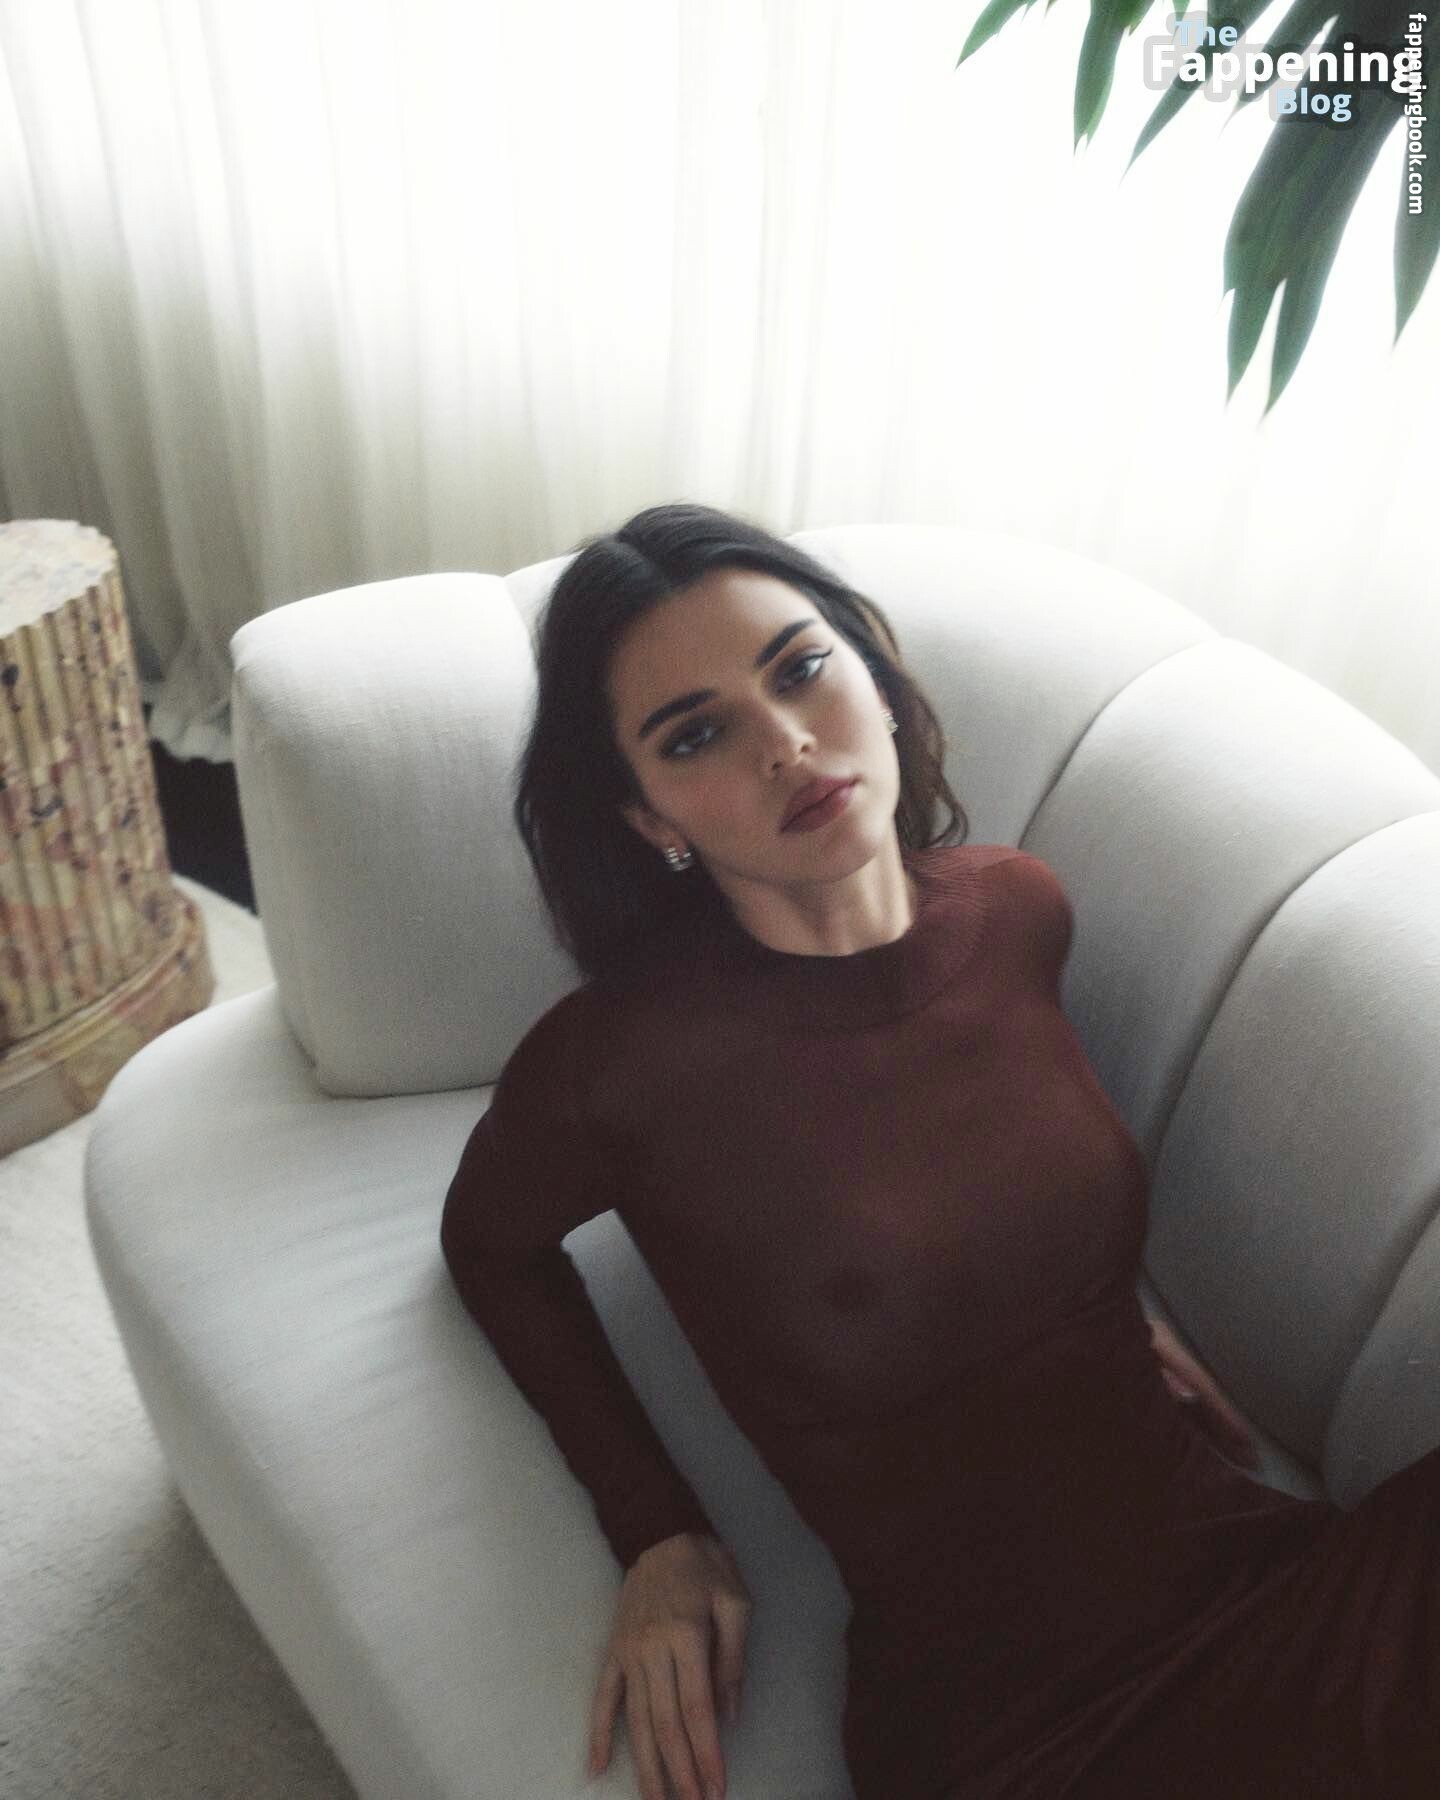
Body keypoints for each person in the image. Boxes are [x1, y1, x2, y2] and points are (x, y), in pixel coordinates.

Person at [440, 502, 1440, 1800]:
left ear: (872, 668)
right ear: (648, 819)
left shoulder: (1017, 908)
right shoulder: (613, 1068)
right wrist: (656, 1529)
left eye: (801, 668)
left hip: (1262, 1575)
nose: (785, 741)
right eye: (696, 735)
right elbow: (488, 1247)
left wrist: (1072, 1307)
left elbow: (995, 1163)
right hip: (1017, 1727)